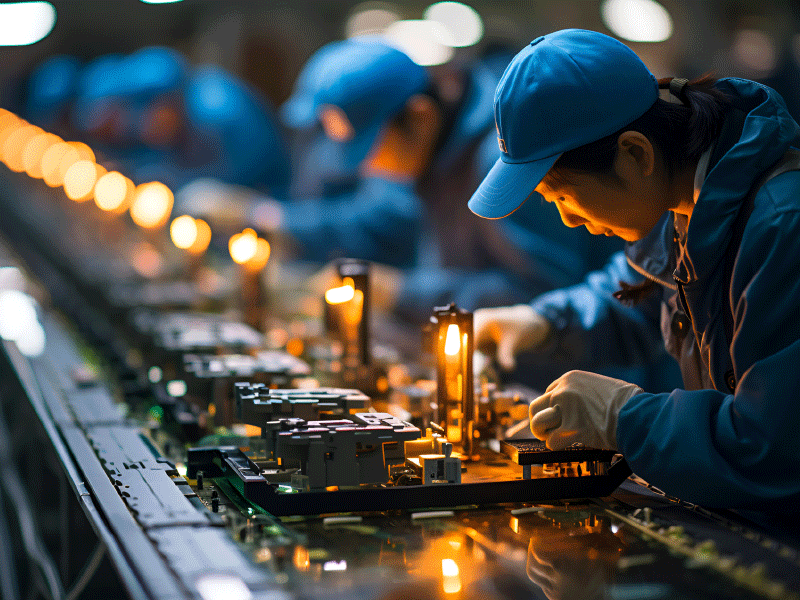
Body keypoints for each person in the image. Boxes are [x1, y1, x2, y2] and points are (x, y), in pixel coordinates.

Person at [468, 29, 800, 510]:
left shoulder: (781, 226)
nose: (568, 220)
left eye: (563, 196)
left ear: (635, 154)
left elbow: (771, 448)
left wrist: (623, 416)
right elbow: (641, 296)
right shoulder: (683, 203)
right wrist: (545, 321)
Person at [177, 38, 621, 321]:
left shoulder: (499, 160)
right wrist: (272, 219)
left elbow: (543, 294)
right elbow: (373, 220)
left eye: (371, 148)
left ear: (421, 117)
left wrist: (401, 291)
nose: (366, 168)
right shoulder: (424, 155)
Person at [71, 46, 291, 194]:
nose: (142, 124)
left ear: (171, 97)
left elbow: (227, 183)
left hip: (270, 202)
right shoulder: (184, 112)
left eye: (150, 108)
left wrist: (170, 180)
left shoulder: (217, 112)